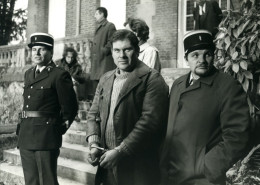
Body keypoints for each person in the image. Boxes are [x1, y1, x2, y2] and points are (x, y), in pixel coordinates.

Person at [160, 30, 251, 185]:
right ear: (186, 58)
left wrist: (207, 167)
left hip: (201, 178)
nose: (202, 60)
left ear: (213, 56)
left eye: (207, 54)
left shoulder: (227, 86)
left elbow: (238, 134)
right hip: (170, 174)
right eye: (195, 55)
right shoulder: (178, 84)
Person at [86, 29, 169, 185]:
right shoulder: (105, 78)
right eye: (117, 50)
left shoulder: (152, 79)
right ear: (111, 52)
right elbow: (93, 114)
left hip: (137, 165)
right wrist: (94, 144)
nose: (121, 55)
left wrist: (120, 151)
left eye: (127, 49)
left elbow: (149, 123)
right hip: (107, 161)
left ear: (137, 50)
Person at [17, 33, 78, 185]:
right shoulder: (28, 73)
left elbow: (70, 107)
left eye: (41, 49)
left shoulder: (59, 75)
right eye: (34, 49)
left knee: (47, 181)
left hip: (46, 136)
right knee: (31, 181)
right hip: (26, 134)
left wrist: (57, 129)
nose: (36, 53)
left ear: (50, 52)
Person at [90, 7, 117, 94]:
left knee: (105, 89)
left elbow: (112, 41)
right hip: (97, 63)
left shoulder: (110, 26)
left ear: (102, 14)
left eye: (96, 14)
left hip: (104, 63)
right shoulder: (99, 27)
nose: (95, 16)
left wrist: (103, 51)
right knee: (97, 90)